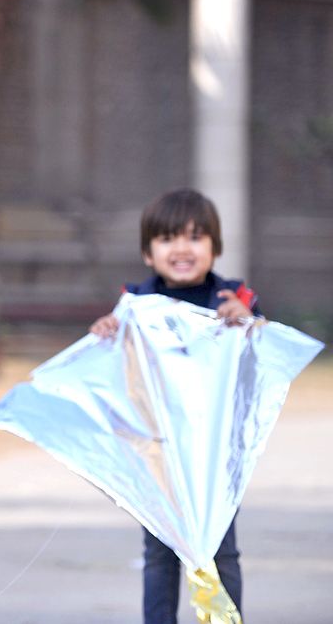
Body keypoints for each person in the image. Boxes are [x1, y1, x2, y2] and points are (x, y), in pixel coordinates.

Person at [89, 187, 257, 624]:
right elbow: (117, 358)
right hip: (158, 451)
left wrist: (249, 320)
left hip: (213, 453)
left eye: (195, 237)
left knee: (220, 548)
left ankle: (226, 620)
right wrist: (109, 327)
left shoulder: (231, 299)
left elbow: (264, 352)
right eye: (168, 239)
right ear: (148, 252)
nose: (182, 248)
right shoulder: (136, 302)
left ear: (215, 248)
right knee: (160, 550)